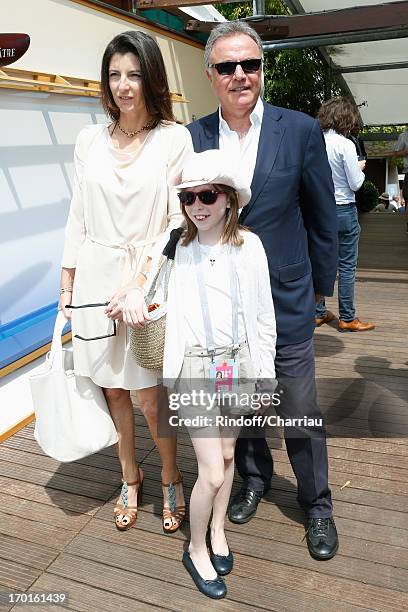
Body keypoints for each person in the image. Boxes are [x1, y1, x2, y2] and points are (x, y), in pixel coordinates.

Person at [187, 21, 339, 560]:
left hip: (287, 294)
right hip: (223, 306)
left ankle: (317, 504)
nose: (239, 75)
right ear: (211, 74)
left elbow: (324, 215)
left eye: (249, 64)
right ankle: (254, 479)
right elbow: (181, 218)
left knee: (298, 403)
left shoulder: (298, 130)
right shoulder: (194, 135)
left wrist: (323, 290)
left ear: (261, 69)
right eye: (227, 67)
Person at [59, 31, 192, 532]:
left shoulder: (173, 139)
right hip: (95, 277)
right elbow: (77, 216)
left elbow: (175, 223)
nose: (123, 85)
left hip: (147, 281)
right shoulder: (88, 140)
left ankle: (171, 477)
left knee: (149, 392)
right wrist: (67, 283)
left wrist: (137, 281)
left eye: (134, 74)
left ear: (150, 78)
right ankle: (130, 477)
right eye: (115, 74)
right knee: (113, 389)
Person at [135, 149, 275, 598]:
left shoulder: (249, 246)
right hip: (193, 368)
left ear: (229, 199)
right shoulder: (174, 244)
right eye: (189, 197)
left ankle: (217, 529)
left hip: (237, 364)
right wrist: (133, 297)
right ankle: (195, 548)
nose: (198, 205)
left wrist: (264, 376)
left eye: (208, 195)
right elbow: (142, 282)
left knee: (230, 456)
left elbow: (262, 316)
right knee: (212, 471)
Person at [315, 97, 375, 333]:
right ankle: (347, 317)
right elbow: (356, 184)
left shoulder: (315, 141)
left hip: (319, 210)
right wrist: (360, 168)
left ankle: (318, 313)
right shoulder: (345, 145)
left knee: (319, 262)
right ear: (345, 118)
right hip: (343, 210)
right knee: (347, 266)